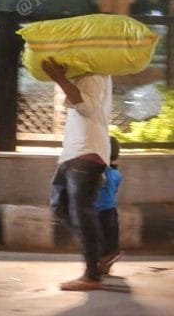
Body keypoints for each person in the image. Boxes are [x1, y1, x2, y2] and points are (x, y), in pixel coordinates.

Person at [42, 57, 112, 291]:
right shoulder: (85, 74)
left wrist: (60, 79)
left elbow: (87, 107)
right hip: (76, 153)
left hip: (86, 152)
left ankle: (92, 274)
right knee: (61, 205)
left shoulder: (94, 74)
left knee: (80, 212)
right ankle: (101, 254)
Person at [96, 136, 124, 275]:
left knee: (99, 239)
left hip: (99, 211)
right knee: (110, 238)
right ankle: (107, 262)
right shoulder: (116, 173)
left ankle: (103, 264)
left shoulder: (101, 173)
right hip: (111, 210)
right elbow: (115, 189)